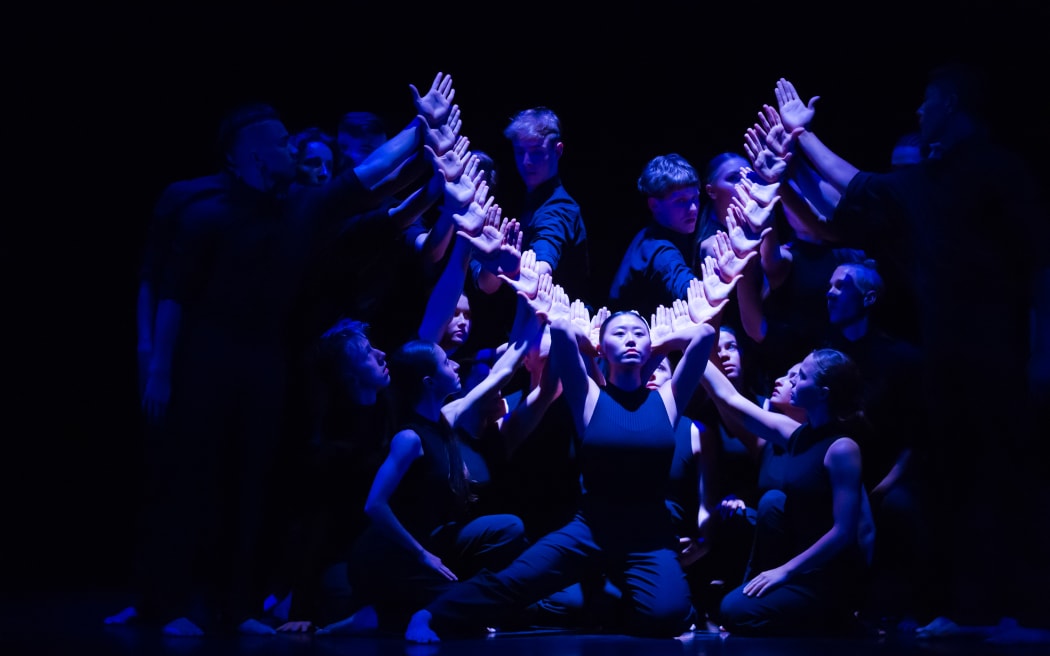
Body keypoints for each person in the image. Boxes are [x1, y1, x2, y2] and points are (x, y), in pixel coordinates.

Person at [111, 73, 459, 637]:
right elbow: (171, 293)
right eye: (278, 142)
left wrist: (424, 125)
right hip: (205, 362)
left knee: (254, 484)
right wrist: (157, 366)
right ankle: (169, 604)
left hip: (266, 362)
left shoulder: (302, 206)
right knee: (189, 482)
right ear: (250, 154)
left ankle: (240, 607)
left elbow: (371, 177)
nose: (289, 148)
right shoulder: (202, 207)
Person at [773, 65, 1050, 640]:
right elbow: (849, 199)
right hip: (954, 362)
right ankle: (977, 612)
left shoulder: (987, 172)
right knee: (966, 484)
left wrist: (1041, 350)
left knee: (1007, 482)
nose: (919, 113)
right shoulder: (934, 183)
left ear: (949, 105)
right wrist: (793, 148)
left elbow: (1041, 264)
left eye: (926, 103)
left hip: (997, 360)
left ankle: (1024, 612)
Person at [404, 260, 738, 643]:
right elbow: (561, 328)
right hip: (589, 528)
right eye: (620, 334)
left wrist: (653, 344)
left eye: (638, 335)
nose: (631, 339)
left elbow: (702, 337)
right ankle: (429, 614)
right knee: (514, 581)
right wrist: (596, 340)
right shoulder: (590, 398)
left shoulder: (668, 400)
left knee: (669, 616)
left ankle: (612, 600)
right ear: (601, 347)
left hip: (649, 535)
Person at [335, 285, 544, 636]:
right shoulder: (409, 439)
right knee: (481, 607)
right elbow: (374, 505)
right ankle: (390, 614)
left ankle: (385, 615)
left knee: (509, 527)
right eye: (447, 362)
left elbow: (501, 372)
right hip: (388, 556)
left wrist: (531, 302)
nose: (455, 365)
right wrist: (421, 556)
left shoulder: (447, 415)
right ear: (430, 381)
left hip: (426, 545)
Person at [701, 347, 876, 637]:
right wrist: (692, 347)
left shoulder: (842, 448)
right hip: (798, 569)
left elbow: (845, 531)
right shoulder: (796, 435)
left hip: (825, 575)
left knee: (734, 612)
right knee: (772, 502)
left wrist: (785, 571)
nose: (792, 381)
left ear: (822, 392)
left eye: (801, 377)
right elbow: (730, 400)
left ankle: (836, 620)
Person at [471, 106, 591, 347]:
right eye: (519, 152)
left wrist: (534, 267)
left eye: (536, 152)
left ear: (558, 151)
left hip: (560, 341)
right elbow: (488, 285)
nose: (526, 161)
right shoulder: (526, 200)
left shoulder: (558, 209)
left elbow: (541, 265)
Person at [607, 153, 702, 319]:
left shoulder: (653, 233)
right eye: (681, 200)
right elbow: (690, 292)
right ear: (654, 204)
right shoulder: (660, 250)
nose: (693, 208)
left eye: (695, 197)